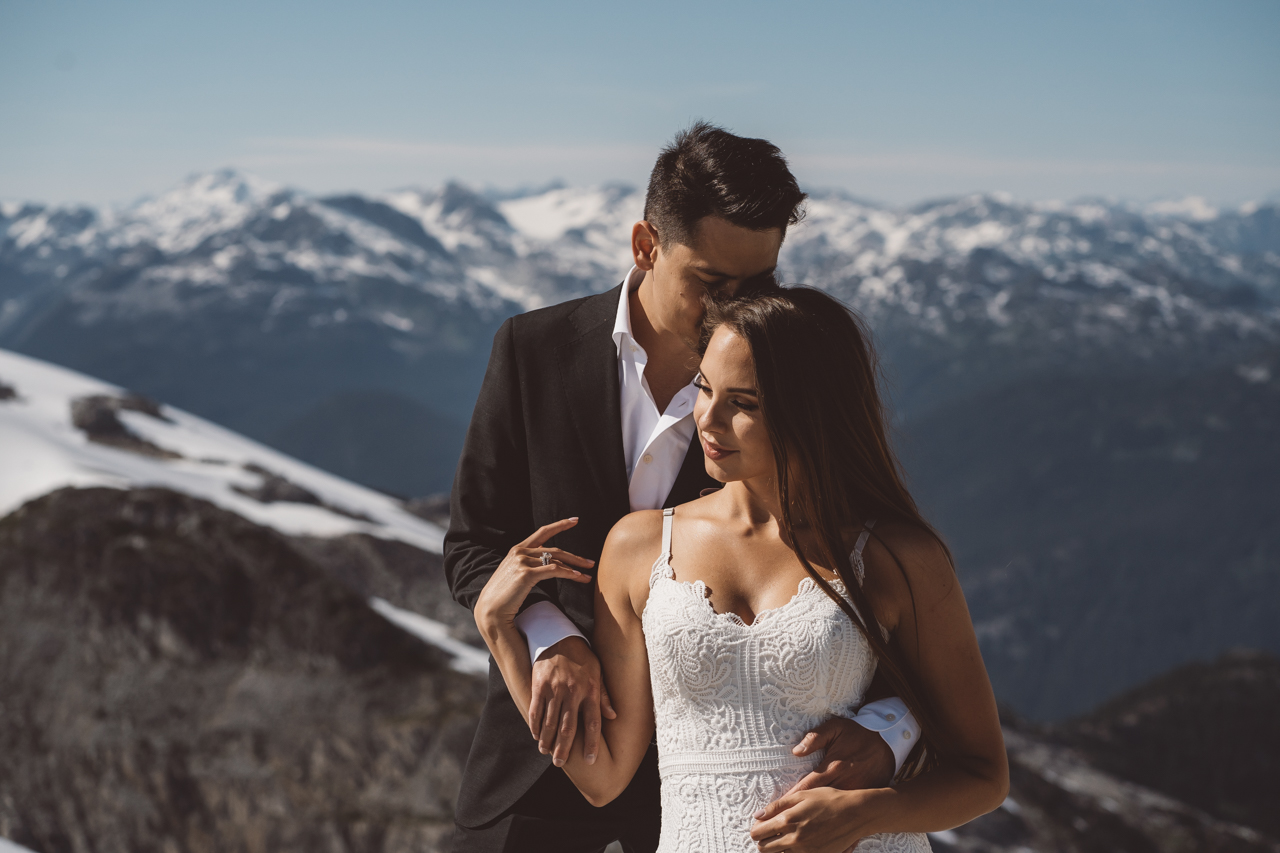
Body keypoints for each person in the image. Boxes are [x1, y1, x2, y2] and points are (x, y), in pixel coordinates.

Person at [445, 123, 924, 851]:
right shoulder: (530, 350)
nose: (733, 308)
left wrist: (889, 731)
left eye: (757, 285)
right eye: (711, 283)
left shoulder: (789, 389)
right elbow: (475, 544)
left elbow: (880, 596)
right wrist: (552, 637)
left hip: (722, 810)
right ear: (646, 246)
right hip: (540, 768)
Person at [474, 287, 1010, 852]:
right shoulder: (640, 545)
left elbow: (983, 775)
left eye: (744, 403)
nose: (707, 418)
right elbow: (603, 779)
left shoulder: (895, 556)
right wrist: (500, 630)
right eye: (703, 388)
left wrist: (870, 812)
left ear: (812, 412)